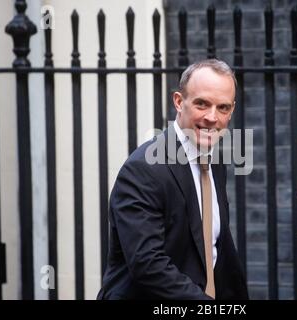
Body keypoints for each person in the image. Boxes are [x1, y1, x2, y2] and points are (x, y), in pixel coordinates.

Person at [97, 59, 249, 300]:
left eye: (223, 107)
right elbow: (148, 265)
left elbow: (211, 247)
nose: (212, 117)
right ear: (179, 102)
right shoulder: (143, 169)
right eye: (202, 104)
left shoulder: (214, 162)